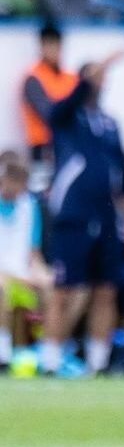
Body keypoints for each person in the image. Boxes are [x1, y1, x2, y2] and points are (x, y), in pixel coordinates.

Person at [40, 50, 124, 377]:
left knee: (106, 290)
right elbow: (66, 102)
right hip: (74, 215)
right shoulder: (65, 118)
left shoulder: (109, 124)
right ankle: (50, 358)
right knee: (64, 289)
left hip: (106, 216)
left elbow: (123, 172)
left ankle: (98, 360)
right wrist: (100, 65)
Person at [0, 154, 51, 371]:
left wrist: (43, 274)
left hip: (22, 273)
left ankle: (48, 354)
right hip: (5, 276)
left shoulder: (29, 206)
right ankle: (3, 354)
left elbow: (33, 253)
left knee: (53, 289)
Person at [21, 24, 79, 163]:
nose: (52, 50)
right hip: (43, 148)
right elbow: (47, 113)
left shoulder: (71, 78)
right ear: (41, 47)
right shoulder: (33, 78)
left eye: (56, 45)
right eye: (48, 45)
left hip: (70, 144)